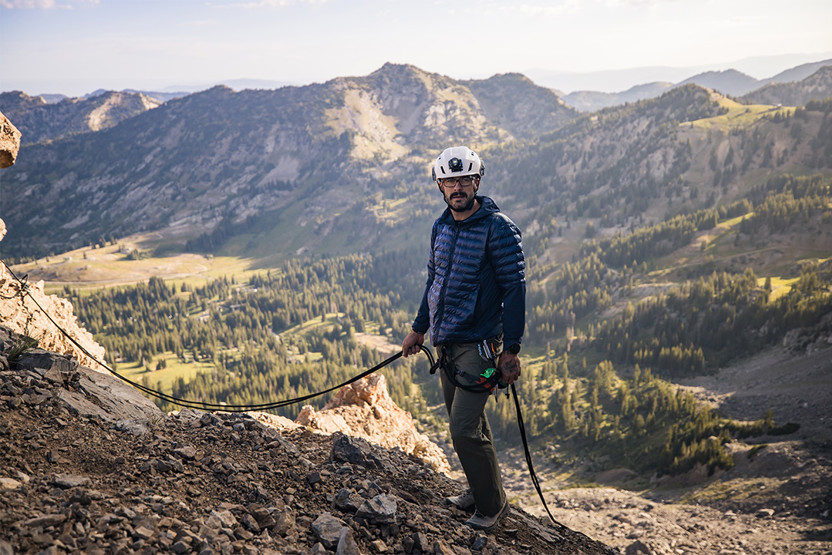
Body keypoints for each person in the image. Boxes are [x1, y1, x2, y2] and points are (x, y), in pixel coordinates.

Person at [401, 146, 526, 531]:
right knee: (471, 425)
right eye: (449, 181)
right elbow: (434, 282)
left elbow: (514, 288)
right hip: (447, 344)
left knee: (463, 429)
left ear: (477, 182)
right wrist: (419, 328)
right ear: (440, 186)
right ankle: (479, 487)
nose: (457, 187)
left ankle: (491, 508)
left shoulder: (498, 227)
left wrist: (512, 349)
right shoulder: (441, 227)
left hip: (480, 346)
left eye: (464, 180)